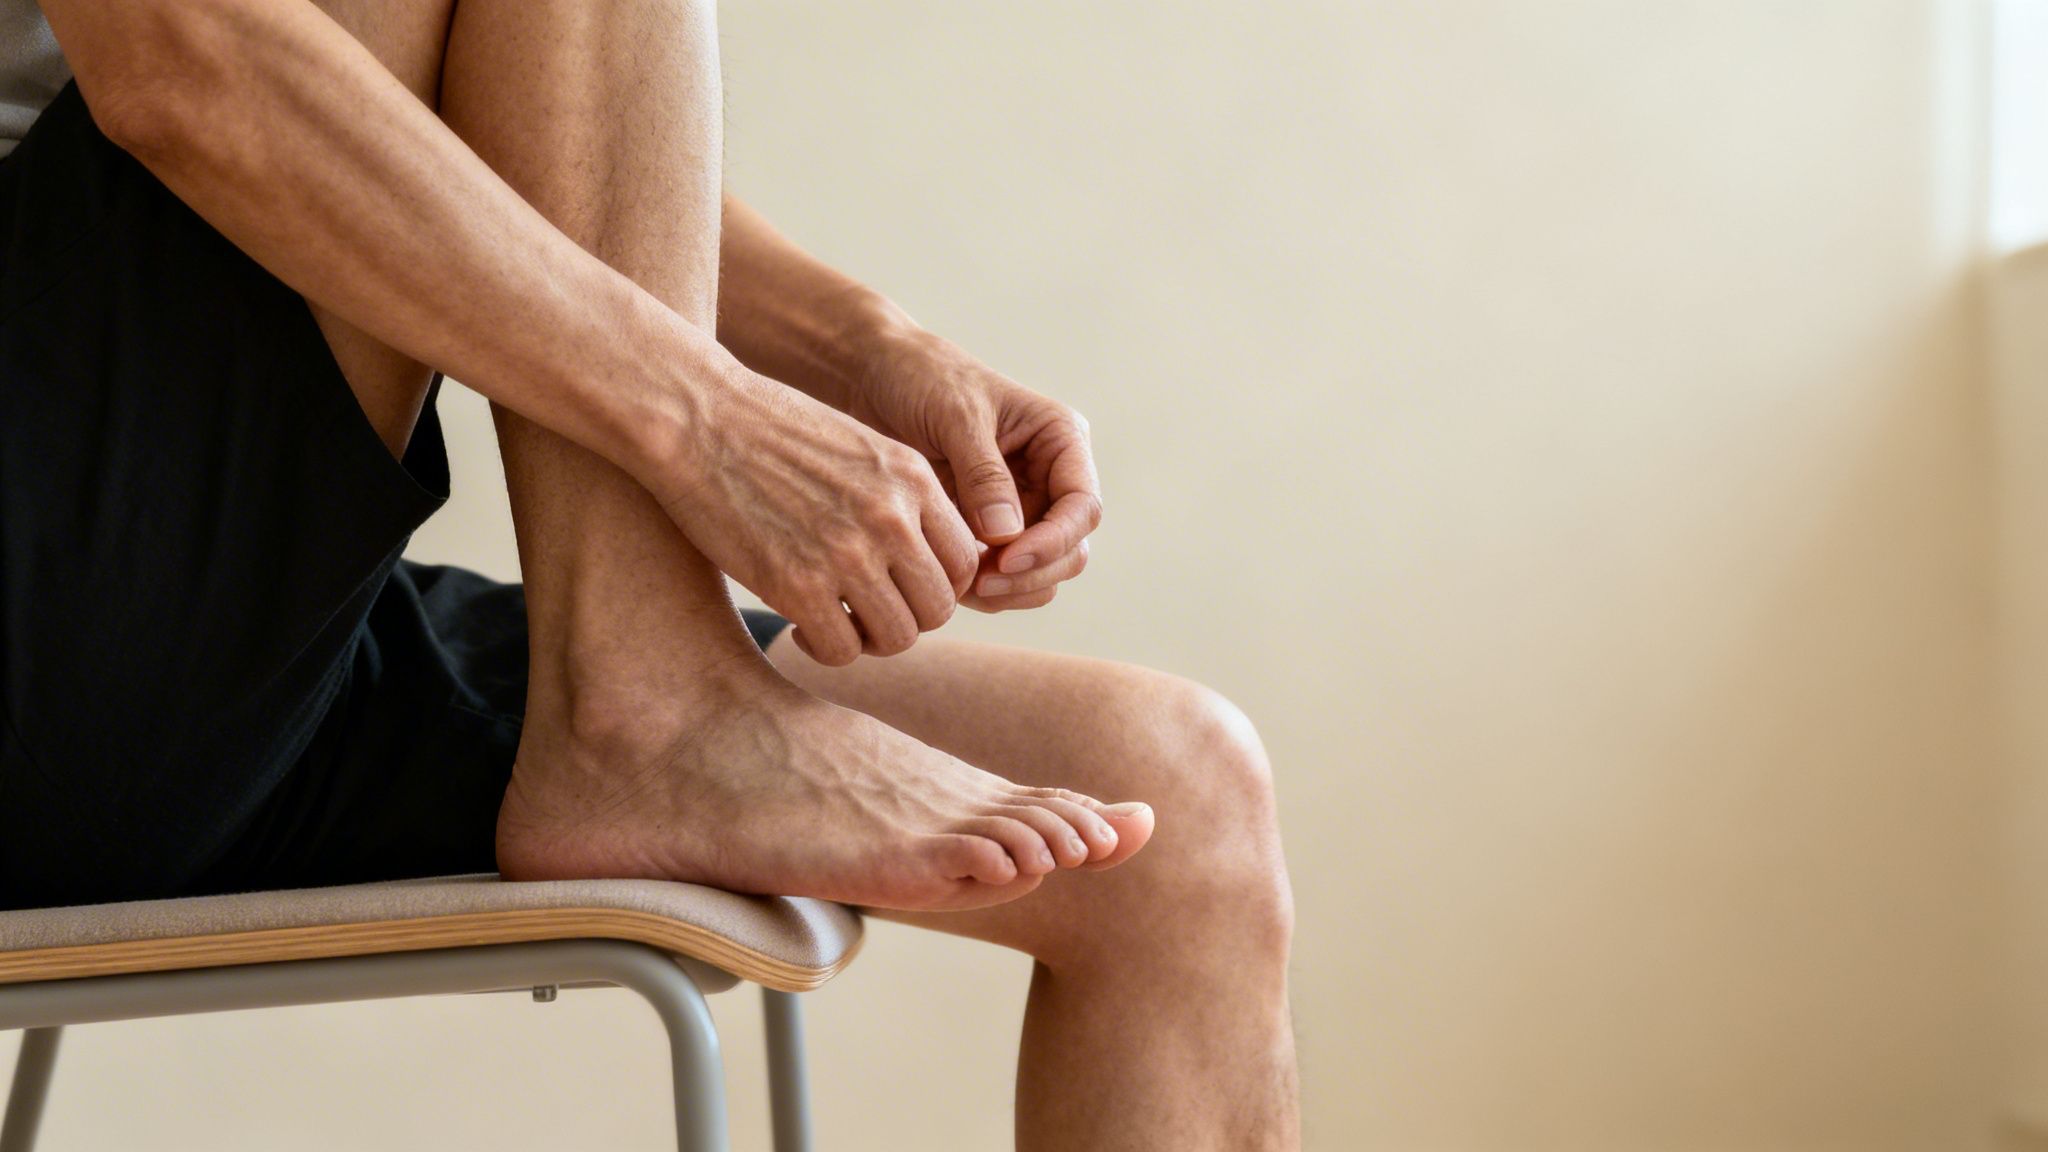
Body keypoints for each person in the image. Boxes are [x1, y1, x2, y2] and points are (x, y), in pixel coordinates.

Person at [0, 0, 1298, 1145]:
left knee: (1169, 802)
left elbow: (460, 109)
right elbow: (186, 53)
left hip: (151, 636)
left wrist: (858, 349)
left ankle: (640, 694)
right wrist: (713, 423)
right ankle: (641, 703)